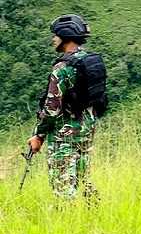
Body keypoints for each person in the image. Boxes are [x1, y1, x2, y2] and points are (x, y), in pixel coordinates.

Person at [27, 14, 108, 199]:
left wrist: (38, 135)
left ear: (65, 35)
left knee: (63, 188)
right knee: (83, 179)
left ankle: (67, 220)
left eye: (55, 35)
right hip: (87, 131)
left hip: (64, 136)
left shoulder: (62, 68)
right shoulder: (91, 62)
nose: (53, 39)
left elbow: (51, 109)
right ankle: (94, 215)